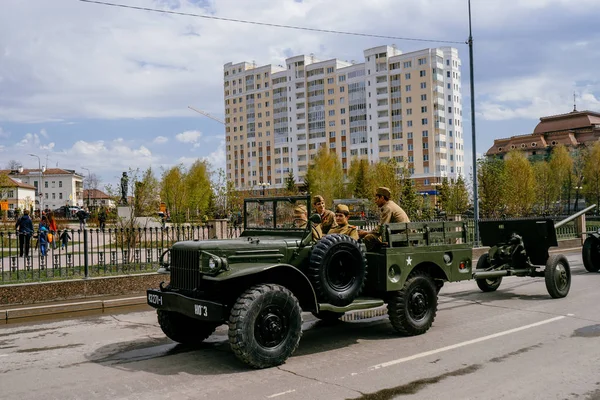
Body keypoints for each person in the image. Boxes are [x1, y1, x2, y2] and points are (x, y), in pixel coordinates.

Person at [358, 187, 410, 251]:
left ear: (382, 198)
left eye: (376, 199)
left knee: (368, 238)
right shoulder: (391, 205)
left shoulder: (387, 208)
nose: (375, 201)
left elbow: (381, 228)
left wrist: (366, 233)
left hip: (400, 237)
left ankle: (376, 258)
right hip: (402, 235)